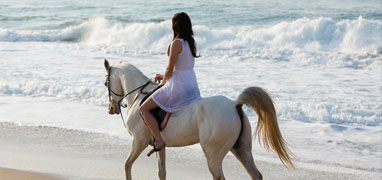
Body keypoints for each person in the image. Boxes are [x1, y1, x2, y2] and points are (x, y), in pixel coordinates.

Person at [140, 12, 201, 156]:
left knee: (144, 109)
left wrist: (163, 81)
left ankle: (159, 140)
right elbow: (181, 67)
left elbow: (170, 67)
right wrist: (165, 76)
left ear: (175, 26)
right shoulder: (191, 42)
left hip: (178, 86)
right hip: (191, 84)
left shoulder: (176, 43)